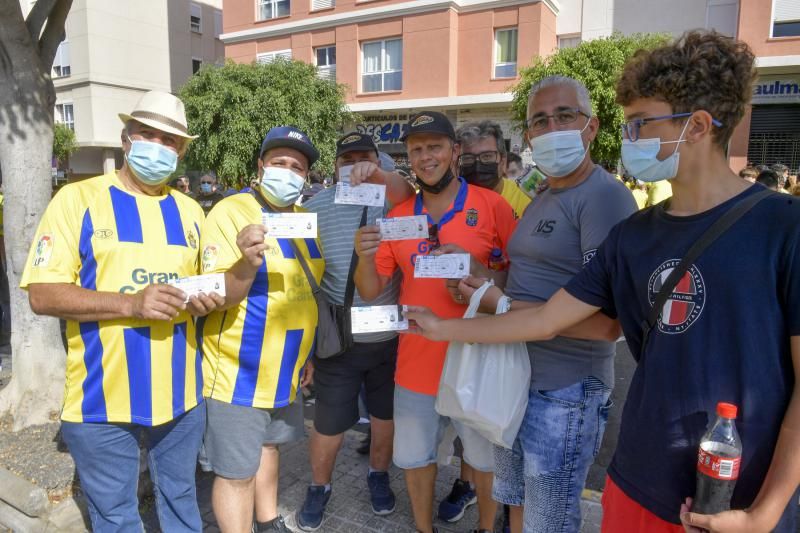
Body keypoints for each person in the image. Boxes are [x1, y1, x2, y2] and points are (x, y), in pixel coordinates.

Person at [407, 30, 800, 533]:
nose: (628, 137)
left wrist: (764, 514)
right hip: (636, 471)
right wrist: (441, 327)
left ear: (698, 126)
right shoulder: (636, 234)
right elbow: (549, 317)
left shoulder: (783, 229)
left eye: (640, 123)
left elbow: (595, 326)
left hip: (733, 485)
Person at [20, 90, 224, 532]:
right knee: (115, 517)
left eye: (170, 141)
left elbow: (207, 286)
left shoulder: (191, 211)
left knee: (183, 503)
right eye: (148, 134)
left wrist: (208, 300)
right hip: (100, 403)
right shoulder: (76, 200)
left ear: (182, 151)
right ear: (126, 139)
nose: (159, 147)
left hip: (183, 399)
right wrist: (131, 304)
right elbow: (42, 294)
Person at [466, 75, 637, 533]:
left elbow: (609, 325)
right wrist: (479, 280)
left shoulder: (603, 198)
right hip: (517, 377)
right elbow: (526, 278)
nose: (552, 127)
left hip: (565, 391)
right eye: (540, 120)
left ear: (592, 126)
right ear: (528, 136)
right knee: (516, 503)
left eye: (565, 115)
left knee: (551, 520)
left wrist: (500, 305)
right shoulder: (544, 195)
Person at [354, 111, 517, 533]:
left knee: (482, 460)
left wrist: (477, 269)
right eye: (416, 150)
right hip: (417, 363)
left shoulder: (492, 206)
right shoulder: (397, 218)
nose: (426, 157)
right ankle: (424, 529)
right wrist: (366, 256)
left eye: (435, 147)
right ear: (408, 158)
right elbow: (372, 290)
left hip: (477, 361)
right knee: (415, 459)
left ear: (454, 152)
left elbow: (517, 279)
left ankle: (485, 527)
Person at [199, 126, 323, 533]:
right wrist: (245, 262)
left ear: (306, 178)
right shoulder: (230, 211)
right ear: (261, 166)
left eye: (297, 167)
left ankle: (268, 523)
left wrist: (307, 357)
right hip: (239, 371)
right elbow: (215, 292)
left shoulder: (306, 220)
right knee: (236, 472)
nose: (288, 173)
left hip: (287, 368)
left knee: (269, 447)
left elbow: (307, 289)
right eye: (280, 163)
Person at [296, 132, 414, 531]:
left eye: (365, 156)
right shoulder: (314, 208)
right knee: (328, 425)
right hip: (338, 339)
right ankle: (319, 487)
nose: (357, 164)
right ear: (334, 166)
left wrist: (383, 176)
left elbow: (411, 191)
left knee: (385, 419)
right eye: (348, 158)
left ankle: (378, 476)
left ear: (378, 159)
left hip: (390, 339)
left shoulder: (397, 202)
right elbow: (302, 275)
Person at [456, 121, 531, 219]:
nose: (478, 165)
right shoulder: (450, 201)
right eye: (468, 158)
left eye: (487, 156)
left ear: (503, 161)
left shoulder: (526, 202)